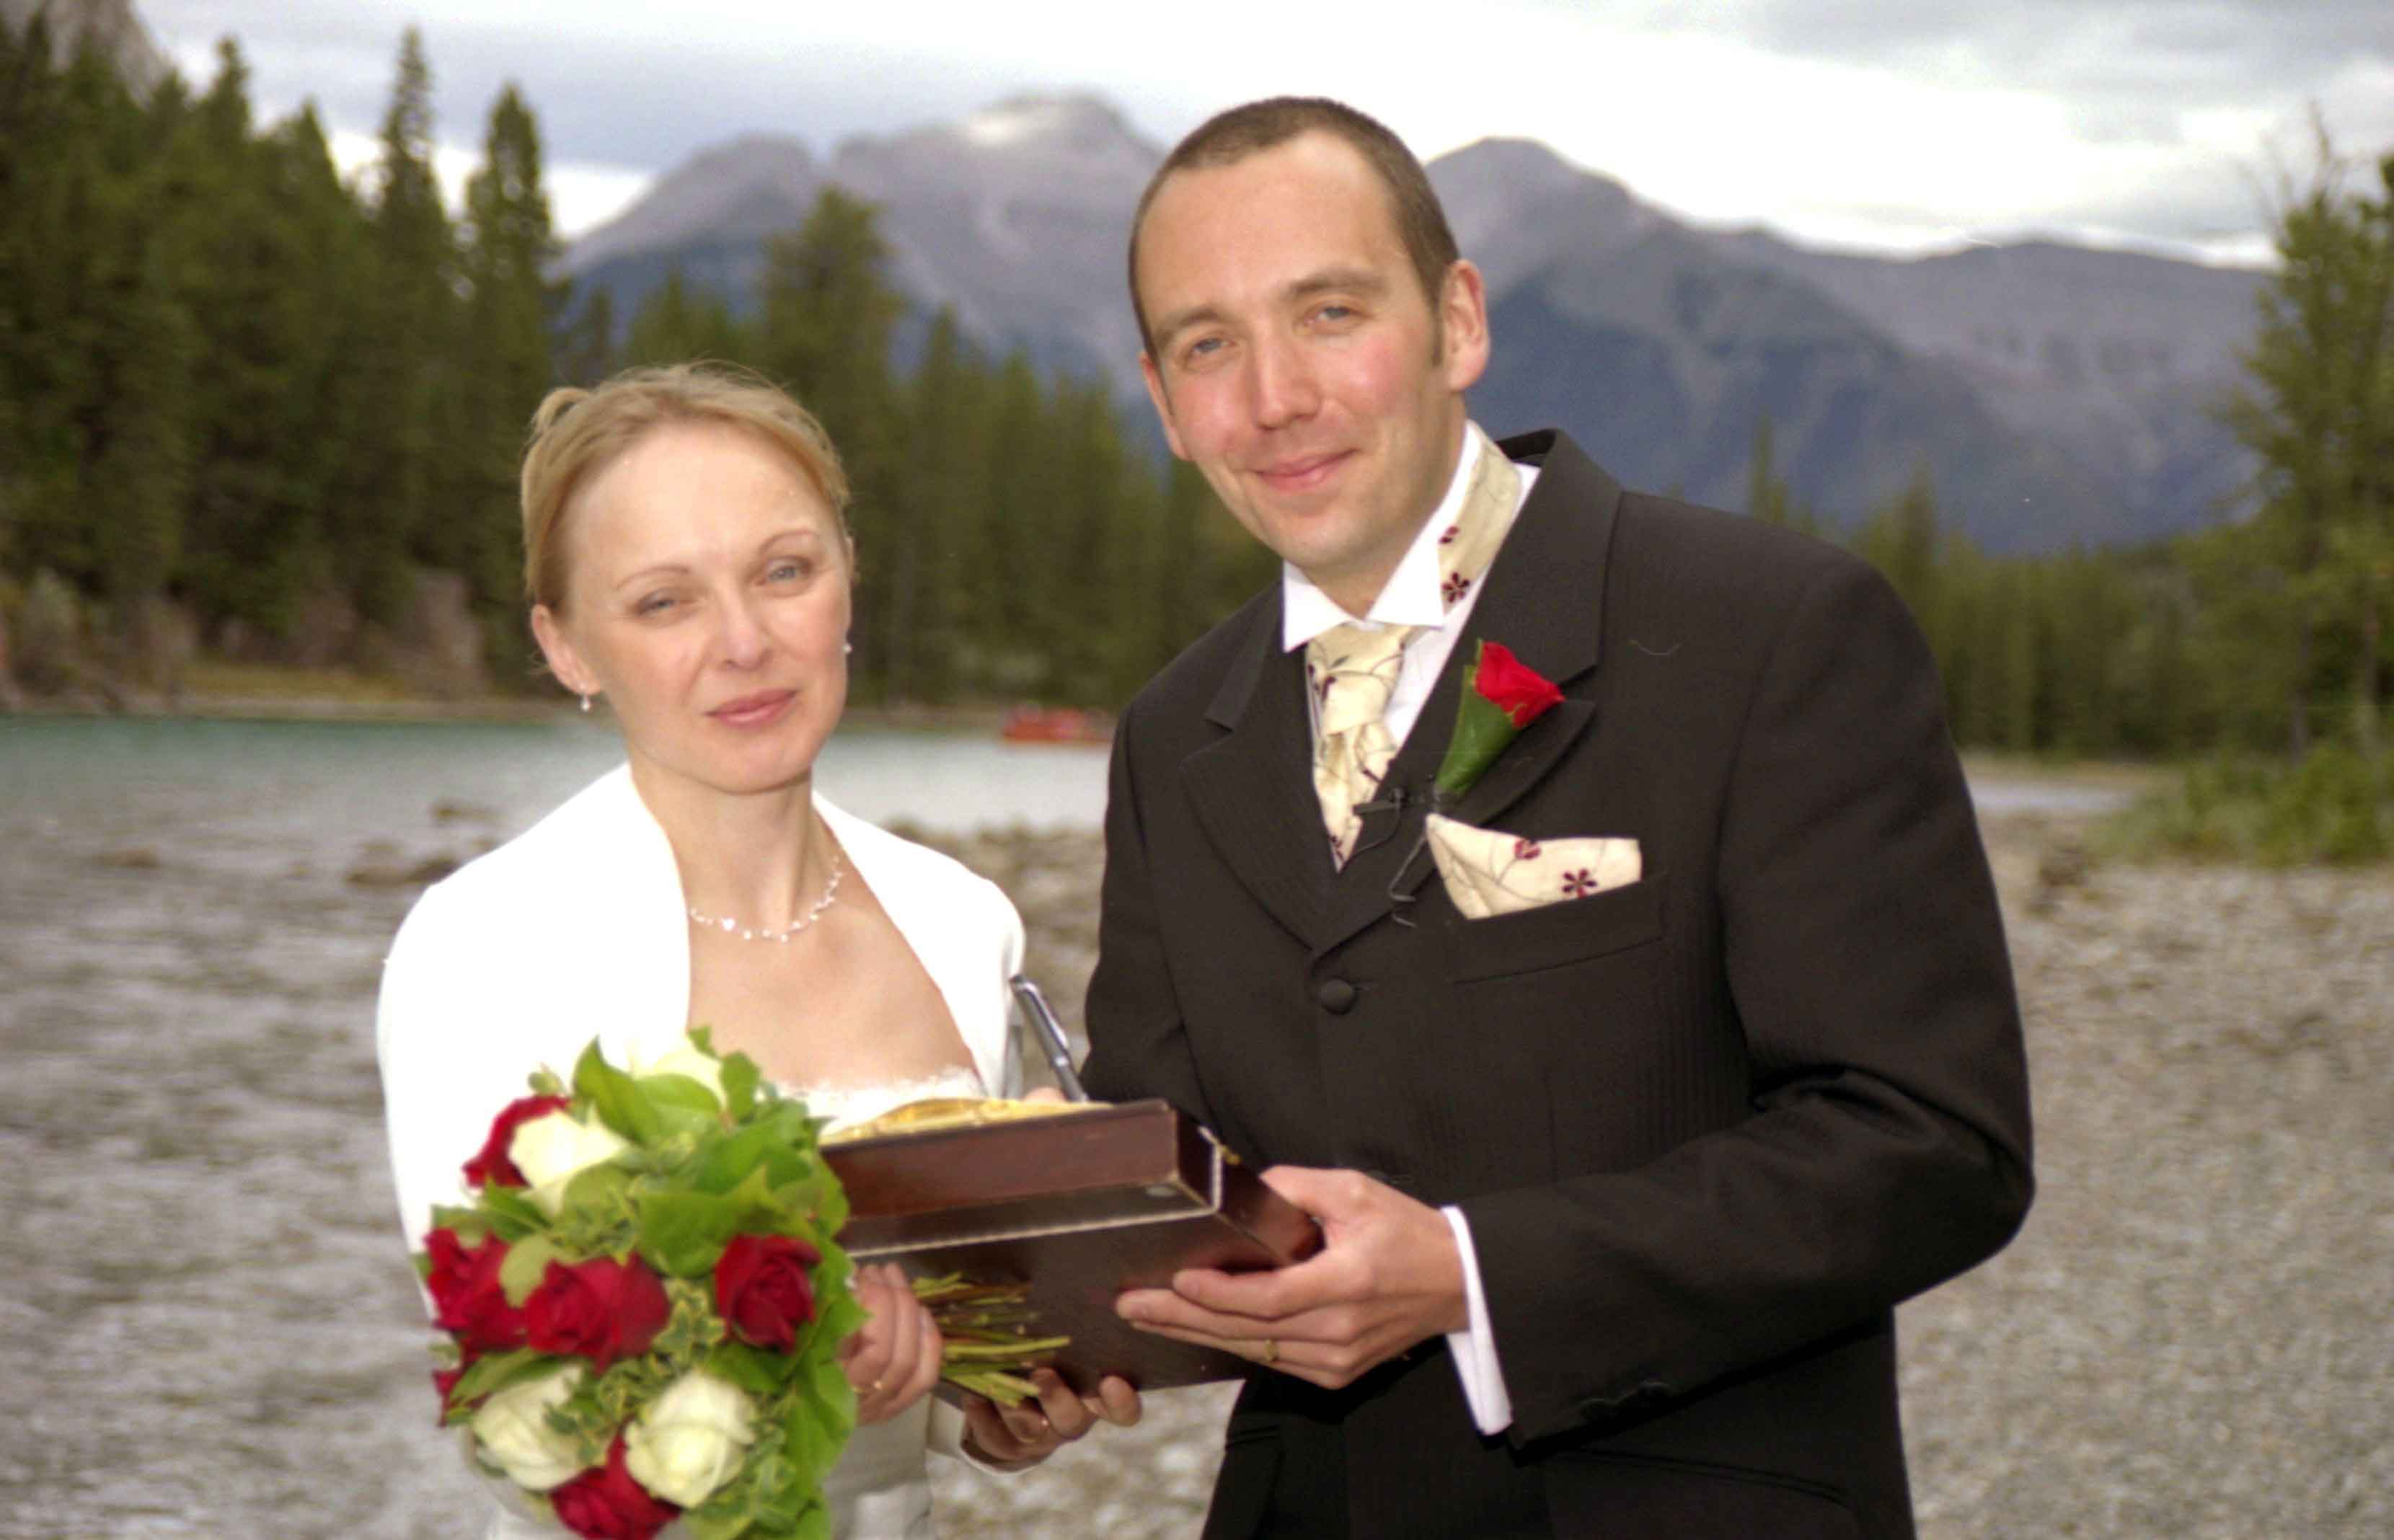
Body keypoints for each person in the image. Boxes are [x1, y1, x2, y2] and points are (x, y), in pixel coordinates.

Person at [1080, 98, 2034, 1538]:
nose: (1273, 396)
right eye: (1209, 346)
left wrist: (1473, 1278)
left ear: (1458, 322)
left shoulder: (1772, 632)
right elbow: (1172, 1178)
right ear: (1164, 403)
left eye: (1329, 314)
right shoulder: (1172, 736)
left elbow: (1932, 1144)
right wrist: (1026, 1352)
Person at [376, 363, 1136, 1539]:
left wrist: (992, 1409)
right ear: (568, 647)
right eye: (663, 602)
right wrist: (802, 1373)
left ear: (847, 579)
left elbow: (942, 1335)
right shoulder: (483, 944)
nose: (745, 642)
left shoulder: (961, 919)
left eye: (785, 572)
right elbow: (515, 1417)